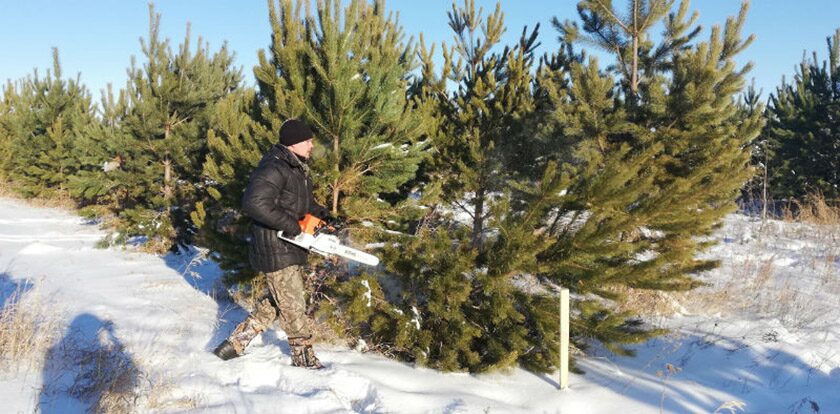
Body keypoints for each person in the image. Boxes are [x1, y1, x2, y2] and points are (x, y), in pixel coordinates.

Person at [213, 118, 330, 369]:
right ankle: (305, 360)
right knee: (293, 305)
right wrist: (291, 225)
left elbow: (301, 203)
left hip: (290, 246)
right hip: (275, 246)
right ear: (293, 143)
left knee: (277, 302)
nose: (311, 145)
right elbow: (254, 203)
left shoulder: (297, 168)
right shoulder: (274, 167)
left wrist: (322, 214)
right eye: (307, 141)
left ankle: (234, 345)